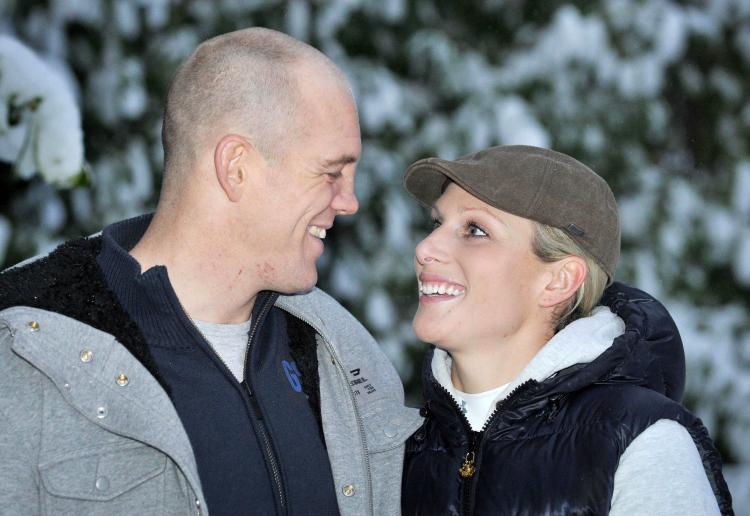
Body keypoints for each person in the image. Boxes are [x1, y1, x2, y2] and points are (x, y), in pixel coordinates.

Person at [0, 27, 420, 516]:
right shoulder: (26, 347)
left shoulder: (337, 350)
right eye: (331, 173)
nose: (349, 202)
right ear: (236, 166)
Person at [400, 145, 733, 515]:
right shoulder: (397, 446)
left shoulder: (639, 444)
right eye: (435, 224)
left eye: (475, 230)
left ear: (558, 281)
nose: (426, 248)